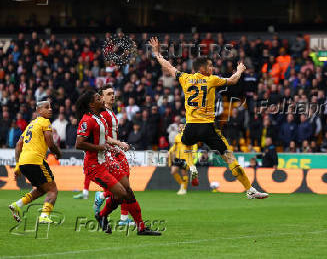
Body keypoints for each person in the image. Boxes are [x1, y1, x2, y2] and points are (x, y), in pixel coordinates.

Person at [150, 37, 267, 199]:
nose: (212, 68)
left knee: (184, 143)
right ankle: (249, 189)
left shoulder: (184, 78)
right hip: (207, 127)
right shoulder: (211, 80)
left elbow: (168, 66)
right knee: (229, 157)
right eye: (211, 65)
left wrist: (156, 53)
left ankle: (190, 165)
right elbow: (233, 80)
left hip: (190, 125)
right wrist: (240, 70)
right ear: (203, 68)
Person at [75, 90, 161, 236]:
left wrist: (111, 144)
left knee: (128, 191)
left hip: (107, 160)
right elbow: (79, 144)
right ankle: (102, 215)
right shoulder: (87, 120)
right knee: (121, 194)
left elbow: (104, 137)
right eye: (98, 98)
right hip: (94, 165)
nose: (102, 100)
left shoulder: (100, 117)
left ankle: (141, 228)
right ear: (91, 104)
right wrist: (100, 147)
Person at [8, 100, 62, 224]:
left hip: (24, 163)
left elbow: (18, 145)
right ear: (39, 111)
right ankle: (44, 216)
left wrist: (17, 166)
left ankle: (17, 205)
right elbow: (50, 143)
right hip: (36, 160)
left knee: (41, 188)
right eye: (46, 107)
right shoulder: (45, 122)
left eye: (50, 107)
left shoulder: (30, 125)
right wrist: (58, 153)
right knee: (53, 189)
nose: (50, 109)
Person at [168, 124, 198, 195]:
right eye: (180, 127)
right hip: (178, 158)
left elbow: (194, 145)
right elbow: (175, 146)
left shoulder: (189, 136)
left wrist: (194, 153)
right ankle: (182, 184)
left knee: (184, 173)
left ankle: (184, 189)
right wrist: (169, 151)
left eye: (182, 127)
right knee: (173, 171)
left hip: (186, 158)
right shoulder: (177, 136)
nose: (181, 128)